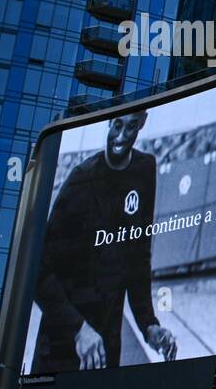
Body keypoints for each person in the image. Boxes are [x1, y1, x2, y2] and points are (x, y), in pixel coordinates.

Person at [32, 111, 177, 372]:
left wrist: (148, 325)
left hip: (106, 343)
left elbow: (137, 256)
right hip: (62, 342)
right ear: (109, 123)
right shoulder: (81, 180)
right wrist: (77, 329)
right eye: (117, 125)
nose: (121, 136)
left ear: (141, 125)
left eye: (131, 127)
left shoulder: (144, 170)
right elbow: (38, 269)